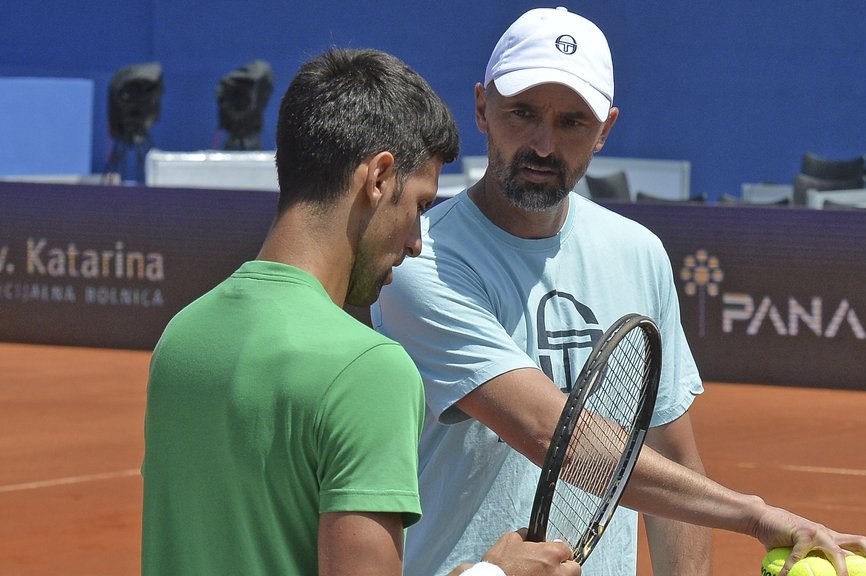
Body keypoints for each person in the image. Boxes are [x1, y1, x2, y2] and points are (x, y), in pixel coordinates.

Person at [372, 8, 866, 576]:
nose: (544, 144)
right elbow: (551, 434)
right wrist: (754, 515)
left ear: (605, 130)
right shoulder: (421, 261)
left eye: (572, 122)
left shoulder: (638, 252)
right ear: (481, 108)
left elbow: (671, 458)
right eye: (522, 113)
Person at [141, 48, 580, 576]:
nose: (418, 240)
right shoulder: (369, 369)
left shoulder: (182, 337)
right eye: (419, 205)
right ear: (378, 179)